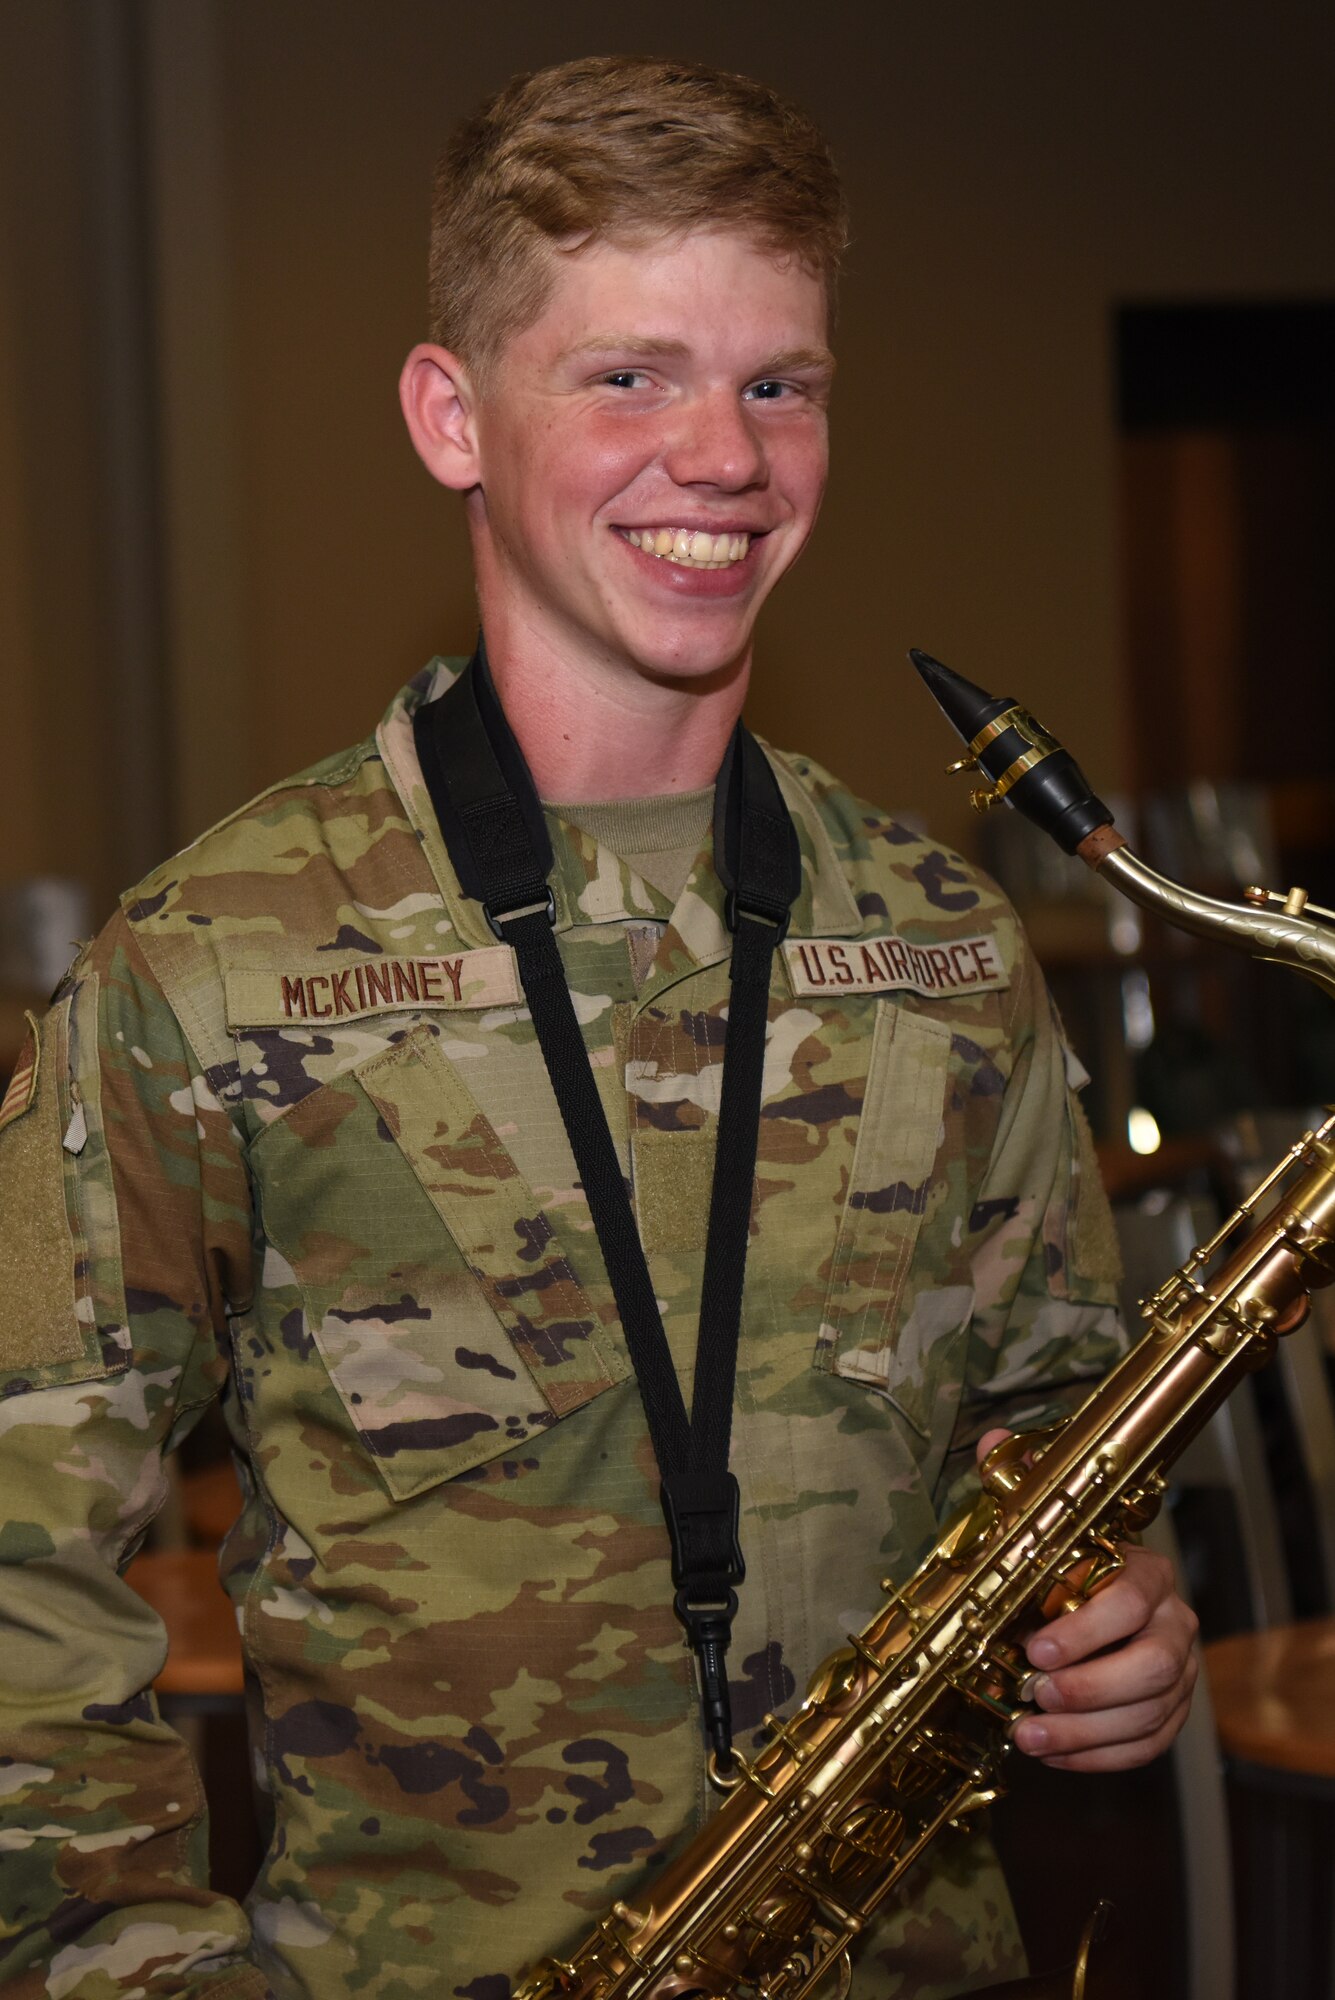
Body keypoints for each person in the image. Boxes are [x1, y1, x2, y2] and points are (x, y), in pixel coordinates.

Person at [0, 55, 1197, 2000]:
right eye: (628, 374)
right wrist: (135, 1967)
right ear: (450, 415)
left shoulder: (940, 942)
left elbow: (1051, 1436)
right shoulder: (211, 962)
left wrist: (1116, 1609)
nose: (719, 454)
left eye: (775, 381)